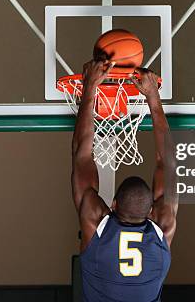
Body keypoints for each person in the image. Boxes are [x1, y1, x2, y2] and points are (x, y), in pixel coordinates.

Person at [71, 59, 178, 302]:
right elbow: (81, 156)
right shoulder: (162, 226)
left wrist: (152, 96)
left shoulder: (162, 226)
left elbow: (168, 163)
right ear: (151, 210)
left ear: (114, 205)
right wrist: (90, 86)